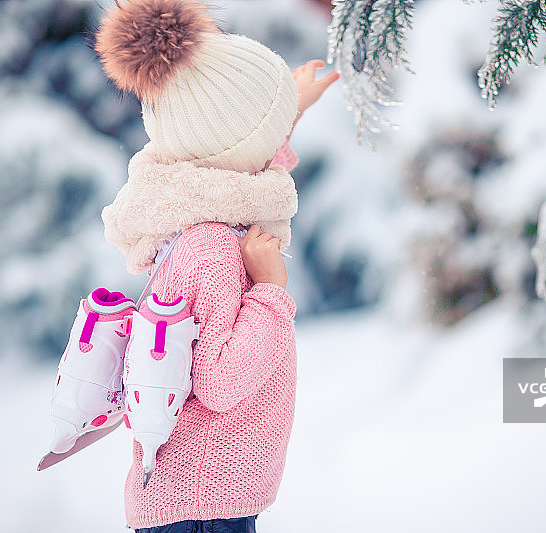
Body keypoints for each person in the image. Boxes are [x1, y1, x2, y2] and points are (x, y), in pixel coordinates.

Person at [93, 0, 338, 531]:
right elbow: (220, 381)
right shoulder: (211, 248)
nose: (277, 147)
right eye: (270, 131)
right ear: (235, 151)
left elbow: (246, 154)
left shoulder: (198, 196)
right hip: (203, 508)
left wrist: (289, 108)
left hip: (202, 496)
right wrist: (271, 291)